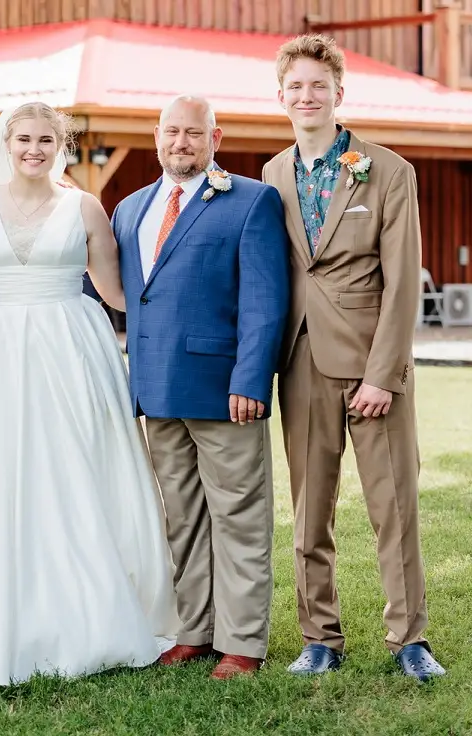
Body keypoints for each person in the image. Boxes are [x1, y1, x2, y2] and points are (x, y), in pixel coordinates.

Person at [0, 102, 181, 686]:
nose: (34, 148)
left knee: (76, 471)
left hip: (73, 347)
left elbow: (119, 293)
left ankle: (90, 607)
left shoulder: (84, 207)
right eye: (24, 138)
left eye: (46, 139)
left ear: (59, 144)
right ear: (6, 141)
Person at [262, 34, 445, 680]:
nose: (307, 96)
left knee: (393, 509)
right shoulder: (272, 174)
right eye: (296, 86)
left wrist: (383, 374)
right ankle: (319, 638)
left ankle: (410, 640)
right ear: (280, 96)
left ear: (340, 94)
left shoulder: (389, 170)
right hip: (302, 362)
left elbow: (402, 282)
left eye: (319, 86)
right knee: (310, 510)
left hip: (373, 366)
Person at [112, 94, 290, 680]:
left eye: (193, 133)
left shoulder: (251, 201)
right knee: (182, 517)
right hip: (156, 389)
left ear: (215, 138)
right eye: (171, 132)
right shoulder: (131, 208)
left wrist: (250, 379)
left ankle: (242, 642)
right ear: (156, 136)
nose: (180, 142)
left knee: (239, 516)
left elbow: (264, 300)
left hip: (223, 390)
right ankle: (194, 629)